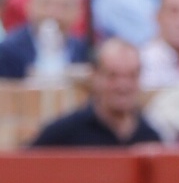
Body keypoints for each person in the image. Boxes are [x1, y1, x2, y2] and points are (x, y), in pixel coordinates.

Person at [29, 37, 162, 145]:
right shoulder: (64, 133)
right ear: (95, 77)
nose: (123, 85)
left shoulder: (150, 137)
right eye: (113, 76)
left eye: (131, 76)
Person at [0, 0, 90, 78]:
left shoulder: (83, 51)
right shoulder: (8, 51)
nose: (54, 13)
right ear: (29, 5)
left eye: (64, 6)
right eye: (46, 3)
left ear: (78, 11)